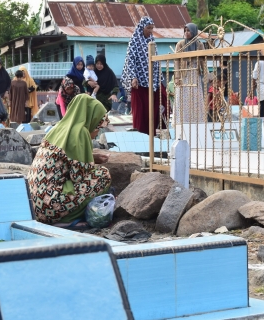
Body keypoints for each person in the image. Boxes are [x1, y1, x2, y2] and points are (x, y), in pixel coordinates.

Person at [27, 95, 111, 228]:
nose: (97, 132)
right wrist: (92, 163)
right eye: (98, 127)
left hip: (34, 206)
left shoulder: (59, 128)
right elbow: (78, 176)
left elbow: (63, 160)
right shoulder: (80, 132)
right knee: (102, 175)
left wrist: (91, 158)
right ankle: (68, 220)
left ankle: (59, 217)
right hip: (50, 206)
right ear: (91, 119)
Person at [122, 16, 169, 134]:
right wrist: (133, 77)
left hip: (152, 82)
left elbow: (155, 61)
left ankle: (152, 134)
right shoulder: (134, 41)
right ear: (142, 28)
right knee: (140, 111)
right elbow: (130, 60)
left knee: (157, 105)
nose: (150, 31)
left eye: (152, 28)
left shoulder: (152, 41)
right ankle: (140, 134)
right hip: (139, 83)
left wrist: (158, 79)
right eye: (148, 28)